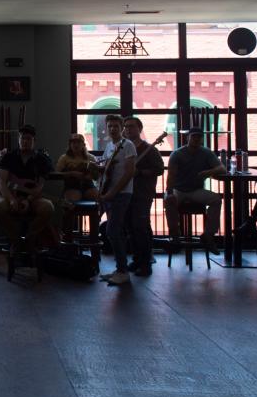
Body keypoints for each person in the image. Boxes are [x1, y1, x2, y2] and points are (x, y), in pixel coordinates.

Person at [0, 124, 57, 260]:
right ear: (18, 140)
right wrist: (11, 199)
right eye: (22, 138)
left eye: (28, 139)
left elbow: (39, 187)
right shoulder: (8, 157)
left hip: (32, 197)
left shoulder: (42, 159)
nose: (25, 141)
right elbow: (1, 181)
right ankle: (16, 241)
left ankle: (29, 239)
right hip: (10, 195)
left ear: (34, 140)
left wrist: (28, 200)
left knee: (48, 207)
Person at [164, 128, 227, 252]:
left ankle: (208, 235)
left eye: (199, 136)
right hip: (178, 189)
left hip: (195, 190)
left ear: (202, 138)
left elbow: (222, 169)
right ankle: (175, 236)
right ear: (188, 138)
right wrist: (169, 192)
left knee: (216, 200)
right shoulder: (177, 154)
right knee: (169, 200)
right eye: (194, 136)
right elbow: (171, 175)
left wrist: (208, 172)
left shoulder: (206, 152)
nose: (196, 139)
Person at [97, 114, 137, 286]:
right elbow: (107, 169)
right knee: (115, 231)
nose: (112, 128)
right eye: (110, 126)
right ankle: (120, 268)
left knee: (112, 230)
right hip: (109, 193)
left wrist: (113, 192)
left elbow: (129, 172)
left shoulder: (127, 146)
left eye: (116, 126)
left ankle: (123, 271)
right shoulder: (109, 146)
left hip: (121, 194)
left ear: (121, 128)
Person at [123, 117, 165, 277]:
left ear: (139, 129)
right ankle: (136, 259)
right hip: (125, 193)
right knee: (129, 228)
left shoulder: (150, 150)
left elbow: (159, 169)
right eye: (126, 127)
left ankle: (146, 263)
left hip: (142, 194)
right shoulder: (124, 149)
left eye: (132, 127)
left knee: (140, 227)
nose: (128, 129)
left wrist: (139, 172)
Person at [55, 133, 98, 239]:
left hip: (88, 185)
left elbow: (96, 176)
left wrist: (90, 175)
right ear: (70, 145)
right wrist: (71, 173)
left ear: (83, 144)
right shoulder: (64, 158)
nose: (76, 145)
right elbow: (56, 173)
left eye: (78, 142)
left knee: (100, 199)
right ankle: (68, 235)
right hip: (72, 185)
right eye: (73, 142)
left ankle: (94, 236)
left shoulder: (91, 157)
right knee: (70, 204)